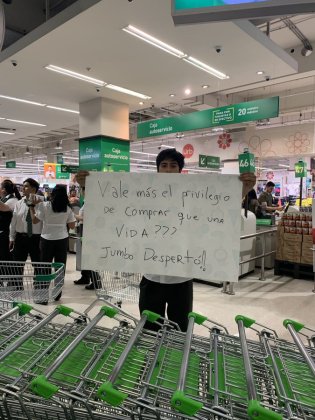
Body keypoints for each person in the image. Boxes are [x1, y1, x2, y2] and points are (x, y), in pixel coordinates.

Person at [75, 149, 256, 332]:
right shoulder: (142, 194)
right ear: (157, 169)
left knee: (181, 328)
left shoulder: (193, 195)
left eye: (173, 165)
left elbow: (219, 209)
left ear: (180, 170)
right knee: (149, 327)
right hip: (151, 277)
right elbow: (112, 207)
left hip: (181, 278)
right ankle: (152, 358)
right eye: (164, 165)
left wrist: (244, 189)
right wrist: (86, 187)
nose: (168, 170)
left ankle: (177, 360)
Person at [29, 185, 76, 268]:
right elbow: (72, 226)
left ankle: (46, 281)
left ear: (52, 194)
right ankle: (59, 281)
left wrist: (32, 207)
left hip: (46, 239)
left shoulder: (44, 205)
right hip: (62, 239)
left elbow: (35, 221)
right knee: (60, 266)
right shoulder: (68, 208)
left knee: (45, 265)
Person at [73, 188, 100, 290]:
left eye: (83, 190)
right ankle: (85, 277)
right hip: (84, 229)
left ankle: (96, 281)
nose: (81, 192)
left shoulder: (92, 202)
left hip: (89, 230)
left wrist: (75, 215)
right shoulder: (86, 202)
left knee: (90, 256)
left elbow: (88, 218)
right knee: (85, 255)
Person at [0, 180, 21, 262]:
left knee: (4, 258)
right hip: (3, 233)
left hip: (7, 234)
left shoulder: (13, 201)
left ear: (4, 190)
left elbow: (3, 208)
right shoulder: (4, 199)